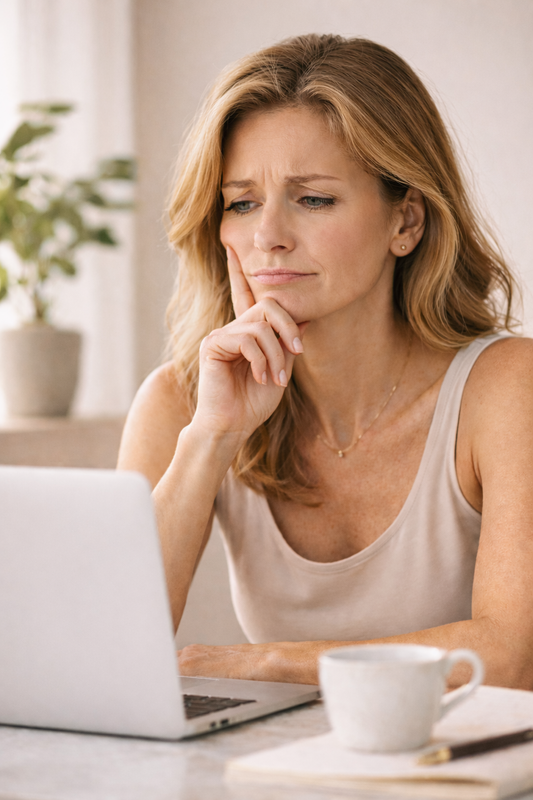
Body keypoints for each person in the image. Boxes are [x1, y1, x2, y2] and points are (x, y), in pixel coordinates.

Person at [118, 34, 533, 690]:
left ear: (406, 222)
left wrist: (263, 662)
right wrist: (211, 438)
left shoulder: (506, 387)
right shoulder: (180, 404)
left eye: (312, 199)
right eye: (240, 202)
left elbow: (511, 657)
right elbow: (108, 646)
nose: (268, 236)